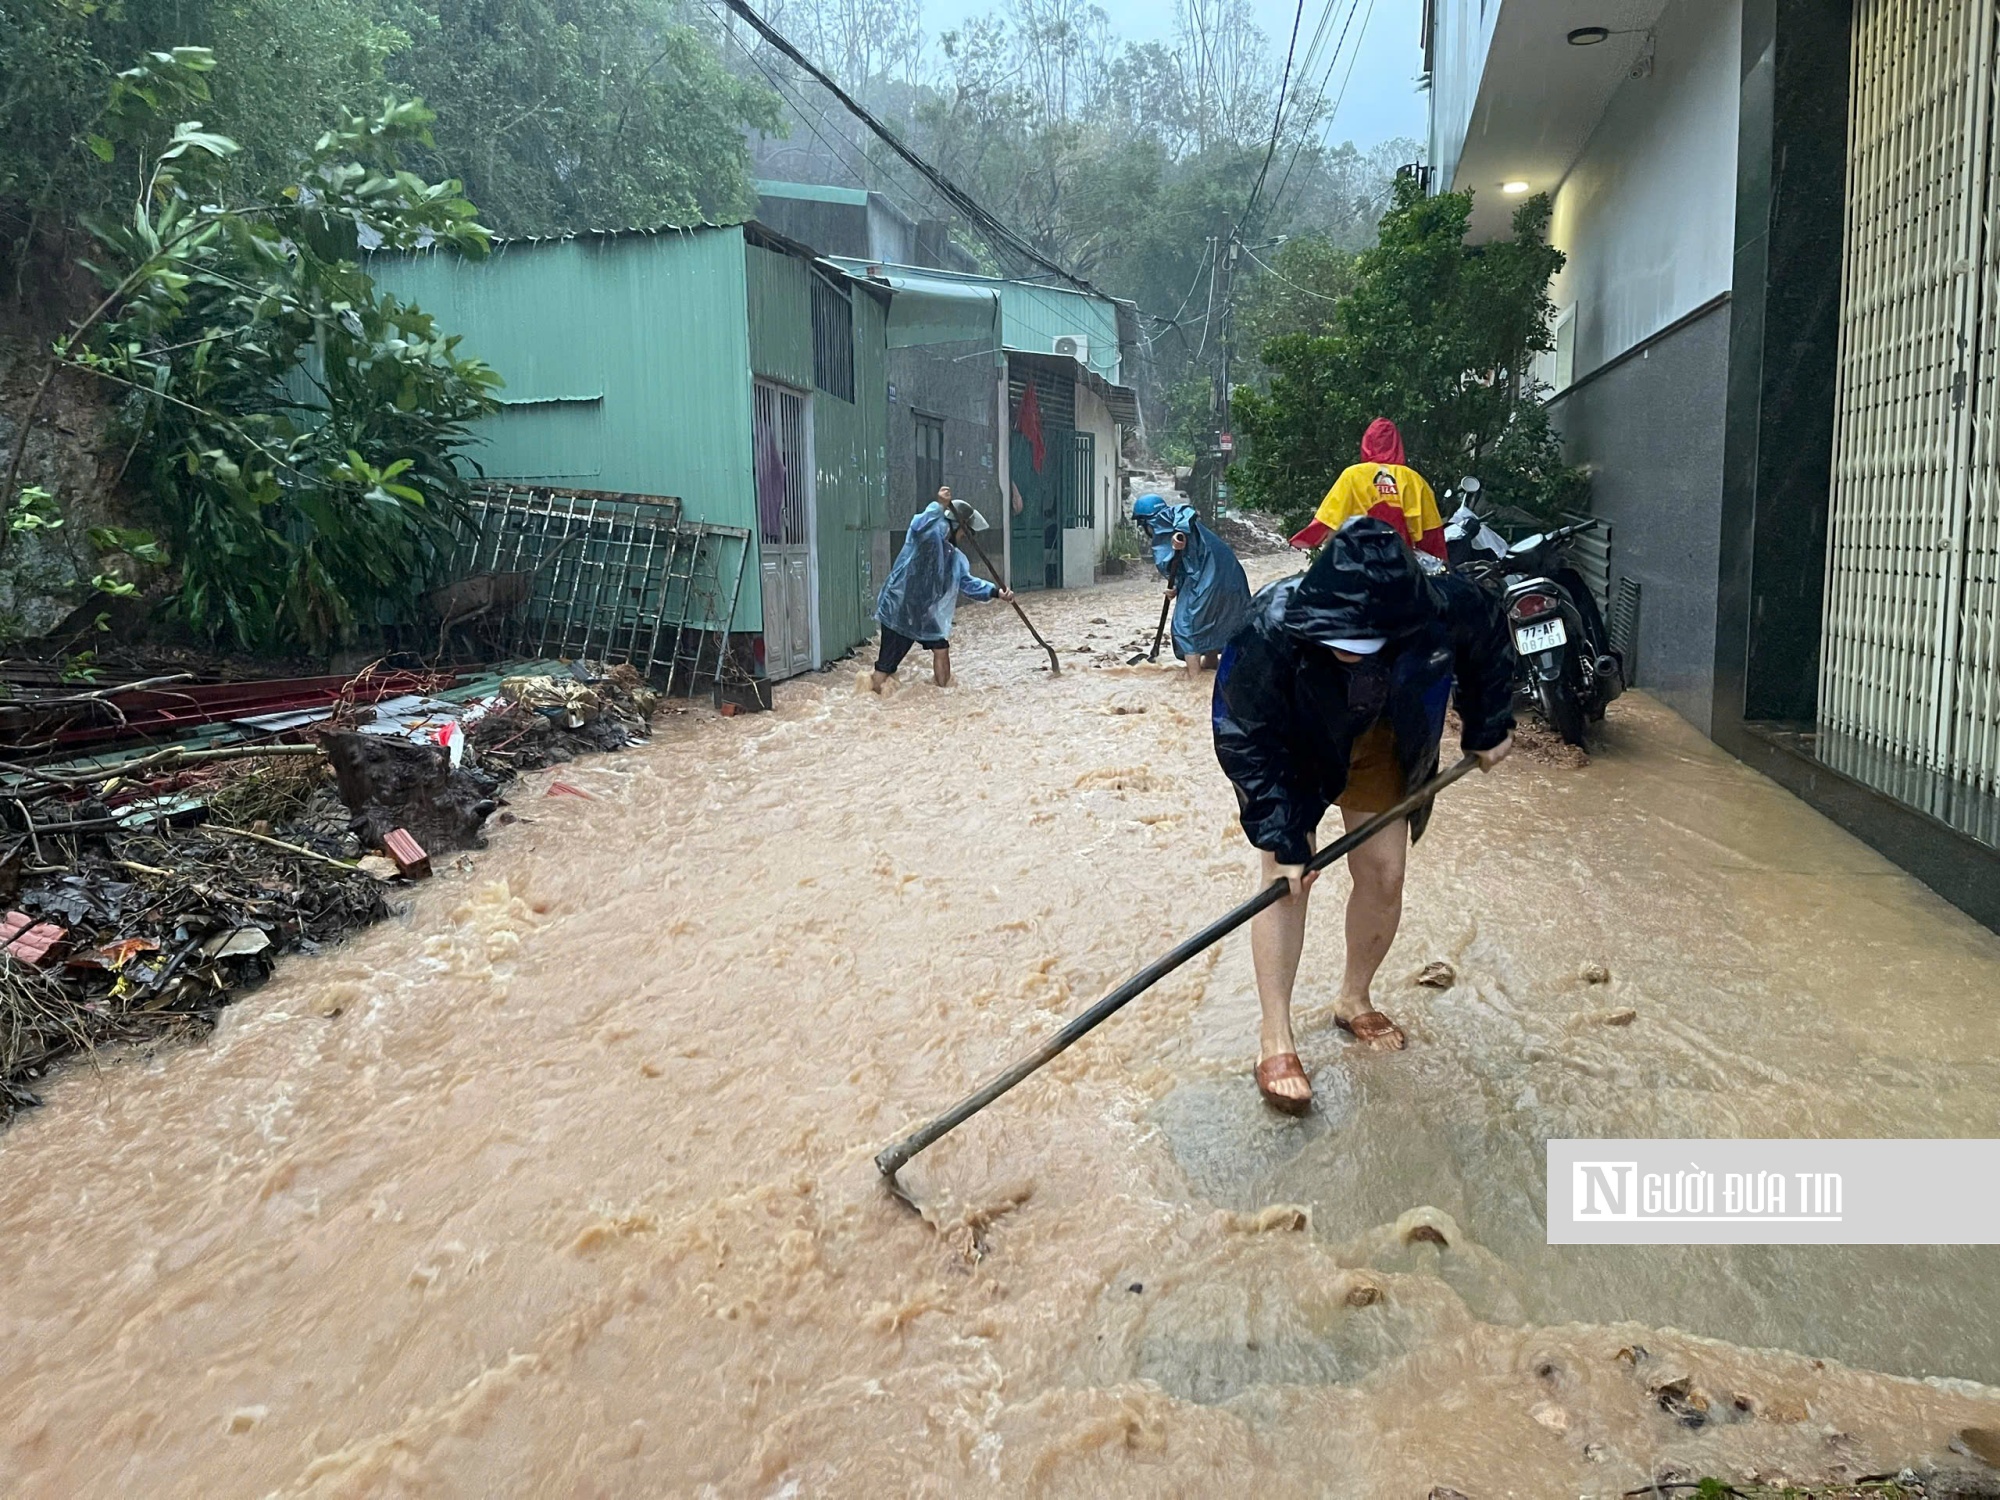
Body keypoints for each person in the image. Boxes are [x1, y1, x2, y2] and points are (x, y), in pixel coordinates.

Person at [1212, 517, 1516, 1114]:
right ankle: (1275, 1036)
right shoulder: (1270, 625)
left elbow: (1489, 649)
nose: (1353, 647)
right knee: (1284, 881)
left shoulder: (1446, 603)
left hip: (1386, 729)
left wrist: (1486, 727)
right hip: (1299, 738)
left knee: (1384, 874)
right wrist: (1281, 829)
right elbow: (1244, 733)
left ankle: (1354, 999)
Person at [865, 486, 1014, 693]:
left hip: (923, 613)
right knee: (886, 666)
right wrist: (938, 506)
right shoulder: (928, 536)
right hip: (899, 608)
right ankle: (867, 698)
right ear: (955, 526)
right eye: (965, 532)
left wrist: (996, 592)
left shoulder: (955, 558)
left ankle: (943, 694)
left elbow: (967, 583)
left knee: (941, 647)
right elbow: (918, 525)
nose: (965, 537)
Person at [1287, 418, 1447, 564]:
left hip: (1357, 564)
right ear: (1398, 444)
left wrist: (1309, 540)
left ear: (1367, 443)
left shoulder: (1352, 476)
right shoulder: (1415, 480)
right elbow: (1432, 534)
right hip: (1401, 565)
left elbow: (1330, 523)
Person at [1132, 494, 1252, 679]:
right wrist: (1177, 587)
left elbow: (1185, 517)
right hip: (1229, 577)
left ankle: (1194, 682)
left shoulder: (1171, 523)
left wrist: (1179, 536)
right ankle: (1211, 670)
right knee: (1213, 623)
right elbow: (1186, 563)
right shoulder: (1177, 525)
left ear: (1148, 520)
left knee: (1185, 626)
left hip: (1208, 579)